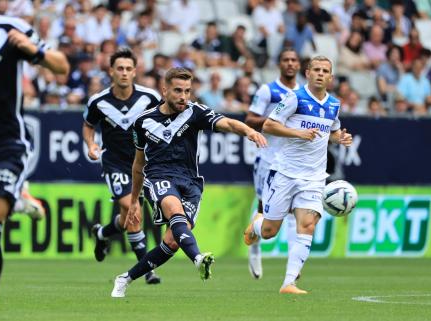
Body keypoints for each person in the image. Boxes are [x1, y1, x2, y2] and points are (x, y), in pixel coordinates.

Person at [110, 67, 267, 298]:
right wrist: (134, 201)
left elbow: (229, 124)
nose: (183, 96)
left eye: (187, 91)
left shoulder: (195, 113)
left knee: (172, 242)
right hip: (159, 177)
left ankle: (125, 278)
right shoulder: (143, 122)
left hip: (191, 182)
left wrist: (249, 132)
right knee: (174, 210)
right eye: (178, 91)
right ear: (165, 90)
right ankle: (198, 258)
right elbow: (137, 165)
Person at [0, 1, 69, 321]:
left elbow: (61, 65)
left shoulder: (9, 29)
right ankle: (18, 200)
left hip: (4, 147)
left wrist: (34, 51)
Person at [244, 56, 352, 294]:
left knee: (308, 224)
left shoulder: (334, 104)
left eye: (325, 71)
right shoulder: (295, 97)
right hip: (284, 173)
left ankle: (289, 283)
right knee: (271, 231)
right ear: (308, 73)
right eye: (316, 70)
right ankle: (255, 228)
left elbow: (331, 132)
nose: (321, 74)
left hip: (314, 178)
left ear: (331, 77)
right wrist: (298, 133)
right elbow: (269, 125)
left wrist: (340, 138)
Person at [82, 48, 162, 284]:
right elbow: (88, 125)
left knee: (127, 215)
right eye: (120, 69)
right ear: (111, 72)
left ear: (135, 72)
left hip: (143, 163)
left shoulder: (150, 97)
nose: (124, 73)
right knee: (131, 207)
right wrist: (91, 144)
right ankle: (147, 269)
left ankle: (102, 233)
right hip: (114, 163)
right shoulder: (98, 101)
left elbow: (165, 119)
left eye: (128, 69)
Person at [244, 48, 300, 280]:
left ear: (299, 65)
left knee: (293, 211)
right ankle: (255, 249)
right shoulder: (268, 90)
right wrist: (276, 120)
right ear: (280, 64)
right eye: (286, 59)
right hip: (267, 158)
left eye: (293, 60)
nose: (289, 63)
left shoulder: (304, 93)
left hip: (292, 159)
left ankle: (293, 265)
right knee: (263, 207)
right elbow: (249, 119)